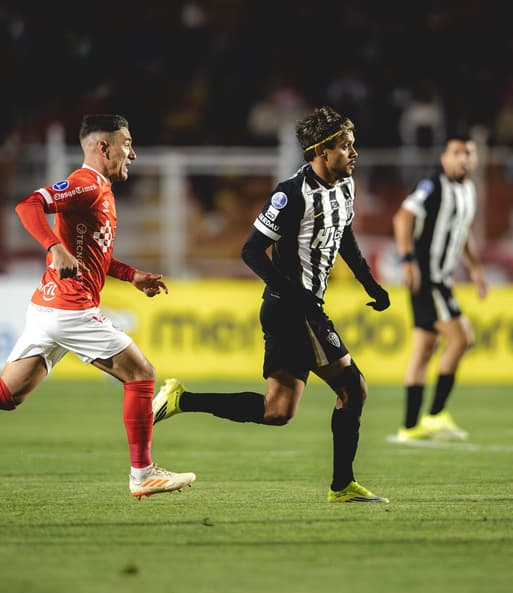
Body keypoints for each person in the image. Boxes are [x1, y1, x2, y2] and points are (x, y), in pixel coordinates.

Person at [0, 114, 196, 499]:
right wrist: (53, 246)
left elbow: (90, 255)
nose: (134, 153)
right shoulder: (85, 184)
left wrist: (131, 275)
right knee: (142, 375)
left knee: (6, 394)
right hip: (70, 308)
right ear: (103, 147)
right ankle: (142, 474)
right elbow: (28, 205)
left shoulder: (98, 190)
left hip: (48, 308)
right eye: (126, 143)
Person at [151, 106, 392, 503]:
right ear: (321, 151)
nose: (354, 153)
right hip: (291, 308)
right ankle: (342, 485)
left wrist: (370, 283)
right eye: (345, 146)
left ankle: (181, 399)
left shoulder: (346, 187)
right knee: (353, 388)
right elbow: (251, 251)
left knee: (278, 411)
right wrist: (296, 294)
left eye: (354, 145)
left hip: (302, 307)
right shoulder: (291, 193)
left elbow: (344, 236)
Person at [390, 135, 486, 442]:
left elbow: (463, 231)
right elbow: (403, 217)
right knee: (461, 338)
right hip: (427, 279)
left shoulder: (468, 190)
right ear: (444, 157)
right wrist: (407, 260)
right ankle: (434, 416)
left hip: (441, 280)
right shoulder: (432, 185)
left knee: (423, 351)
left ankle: (409, 427)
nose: (463, 159)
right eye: (457, 152)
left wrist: (474, 267)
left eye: (468, 153)